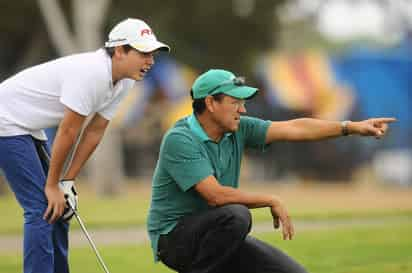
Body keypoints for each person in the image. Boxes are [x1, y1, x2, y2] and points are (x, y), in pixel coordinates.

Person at [147, 69, 395, 273]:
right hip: (174, 241)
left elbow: (296, 128)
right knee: (236, 215)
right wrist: (270, 199)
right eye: (235, 103)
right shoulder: (180, 139)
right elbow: (216, 196)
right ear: (211, 103)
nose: (242, 110)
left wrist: (350, 126)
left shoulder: (238, 127)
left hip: (216, 235)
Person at [0, 18, 169, 273]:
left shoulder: (125, 81)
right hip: (6, 119)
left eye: (152, 54)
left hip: (28, 125)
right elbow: (69, 131)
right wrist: (51, 185)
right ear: (120, 51)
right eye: (144, 53)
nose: (151, 61)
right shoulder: (92, 73)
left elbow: (95, 131)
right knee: (41, 208)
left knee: (60, 208)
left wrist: (66, 182)